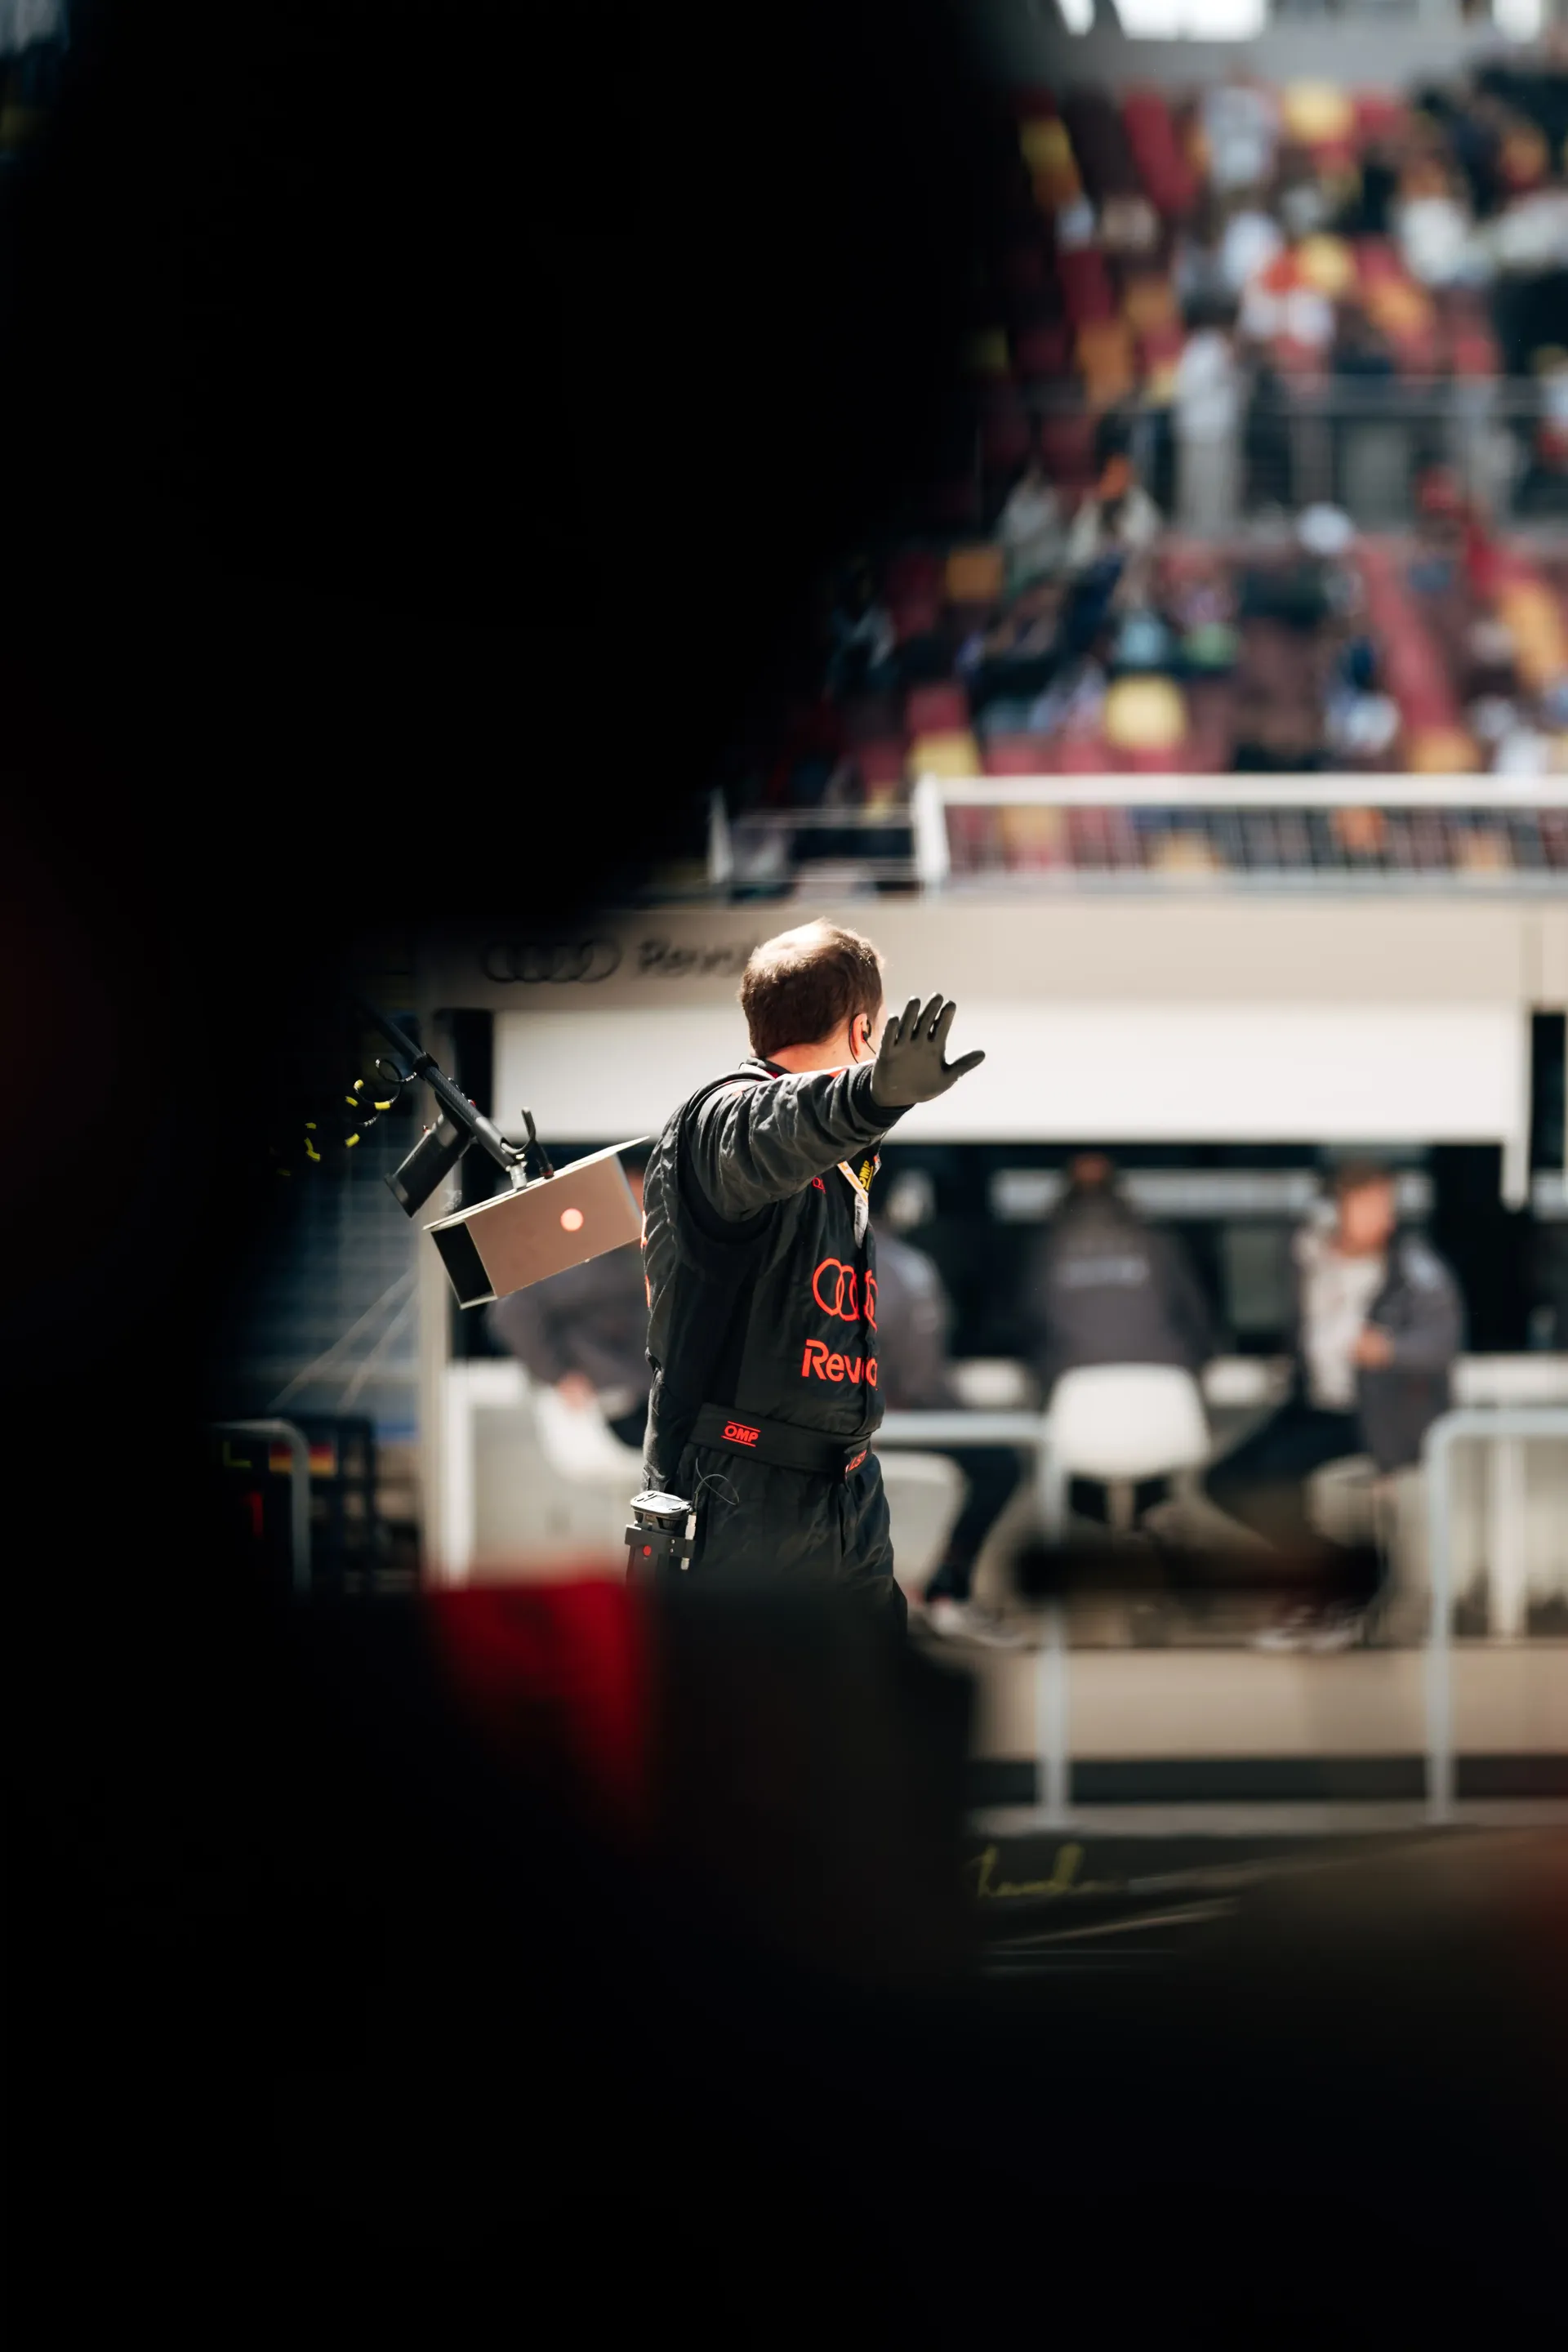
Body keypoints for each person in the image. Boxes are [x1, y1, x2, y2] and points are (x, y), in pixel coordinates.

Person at [639, 922, 985, 1627]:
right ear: (864, 1033)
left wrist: (867, 1110)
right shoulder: (722, 1119)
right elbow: (785, 1121)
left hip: (848, 1491)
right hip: (736, 1495)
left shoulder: (833, 1152)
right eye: (877, 1039)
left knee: (868, 1723)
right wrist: (874, 1095)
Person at [1204, 1160, 1463, 1651]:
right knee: (1225, 1481)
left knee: (1277, 1475)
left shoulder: (1411, 1267)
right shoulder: (1306, 1254)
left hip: (1377, 1414)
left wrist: (1389, 1350)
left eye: (1387, 1208)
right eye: (1370, 1208)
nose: (1382, 1221)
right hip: (1314, 1403)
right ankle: (1330, 1584)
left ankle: (1340, 1585)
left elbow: (1441, 1342)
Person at [1019, 1153, 1214, 1529]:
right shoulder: (1160, 1243)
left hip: (1076, 1419)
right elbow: (1199, 1324)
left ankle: (1095, 1540)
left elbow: (1025, 1325)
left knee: (1062, 1473)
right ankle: (1147, 1522)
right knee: (1154, 1474)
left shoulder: (1042, 1248)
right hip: (1167, 1415)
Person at [871, 1221, 1026, 1649]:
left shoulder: (795, 1248)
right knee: (999, 1466)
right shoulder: (905, 1263)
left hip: (824, 1416)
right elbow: (920, 1378)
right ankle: (946, 1592)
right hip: (880, 1416)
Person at [487, 1152, 652, 1454]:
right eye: (634, 1199)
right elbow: (514, 1310)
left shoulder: (642, 1253)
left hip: (653, 1385)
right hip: (618, 1399)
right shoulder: (581, 1258)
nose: (641, 1209)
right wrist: (558, 1374)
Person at [1173, 299, 1242, 538]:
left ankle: (1203, 532)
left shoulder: (1193, 348)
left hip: (1199, 429)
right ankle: (1208, 537)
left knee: (1199, 486)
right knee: (1211, 488)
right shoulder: (1212, 349)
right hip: (1210, 431)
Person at [997, 458, 1066, 597]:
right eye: (1031, 474)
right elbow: (1009, 531)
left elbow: (1037, 528)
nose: (1034, 478)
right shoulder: (1016, 497)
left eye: (1037, 473)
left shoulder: (1051, 497)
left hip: (1047, 560)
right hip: (1021, 559)